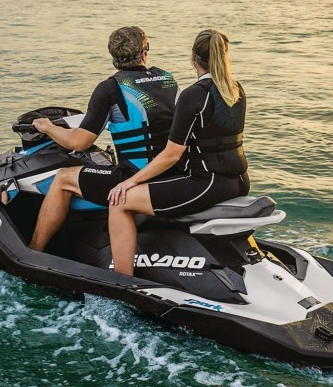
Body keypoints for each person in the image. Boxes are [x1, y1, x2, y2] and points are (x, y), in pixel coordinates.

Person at [102, 29, 250, 276]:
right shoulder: (235, 89)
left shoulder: (194, 94)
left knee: (119, 202)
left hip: (206, 184)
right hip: (239, 181)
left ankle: (121, 282)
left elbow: (172, 155)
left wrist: (129, 182)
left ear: (193, 56)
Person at [28, 26, 178, 253]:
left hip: (136, 178)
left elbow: (79, 142)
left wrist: (47, 127)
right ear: (144, 51)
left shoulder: (110, 88)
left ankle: (33, 255)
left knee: (62, 179)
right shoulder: (168, 80)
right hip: (174, 174)